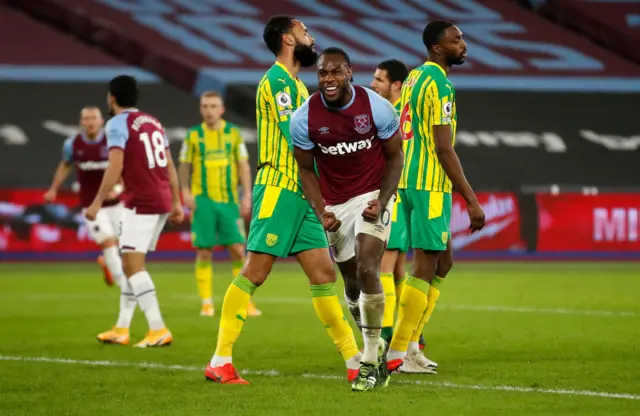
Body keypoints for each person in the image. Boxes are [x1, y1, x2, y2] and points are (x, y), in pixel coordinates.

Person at [204, 16, 362, 386]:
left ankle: (354, 359)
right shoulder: (277, 80)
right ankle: (220, 360)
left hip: (304, 194)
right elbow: (299, 133)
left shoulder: (292, 82)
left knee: (324, 274)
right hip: (279, 187)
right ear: (288, 39)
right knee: (255, 271)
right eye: (306, 32)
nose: (312, 37)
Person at [291, 47, 404, 391]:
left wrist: (382, 200)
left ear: (350, 73)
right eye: (323, 73)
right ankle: (376, 346)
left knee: (369, 266)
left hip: (372, 194)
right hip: (336, 205)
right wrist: (320, 209)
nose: (329, 79)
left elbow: (396, 157)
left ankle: (370, 361)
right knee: (352, 284)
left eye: (336, 72)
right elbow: (305, 169)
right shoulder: (303, 118)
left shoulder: (376, 107)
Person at [386, 21, 485, 372]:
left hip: (408, 179)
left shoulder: (413, 77)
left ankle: (410, 344)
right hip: (429, 184)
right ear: (438, 48)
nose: (463, 43)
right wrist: (471, 200)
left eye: (462, 37)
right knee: (425, 265)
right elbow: (444, 149)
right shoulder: (441, 84)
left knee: (444, 262)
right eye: (455, 39)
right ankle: (398, 352)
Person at [86, 75, 184, 348]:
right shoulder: (153, 122)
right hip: (160, 197)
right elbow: (169, 165)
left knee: (132, 265)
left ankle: (158, 328)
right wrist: (176, 201)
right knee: (131, 264)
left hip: (142, 201)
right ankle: (122, 327)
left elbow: (114, 166)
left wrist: (96, 203)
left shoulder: (117, 123)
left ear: (112, 97)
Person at [370, 59, 438, 374]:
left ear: (396, 85)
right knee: (398, 268)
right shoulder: (400, 112)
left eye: (379, 80)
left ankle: (388, 339)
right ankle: (409, 339)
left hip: (394, 196)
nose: (374, 85)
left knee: (387, 263)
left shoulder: (391, 115)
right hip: (405, 193)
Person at [179, 91, 261, 318]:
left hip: (228, 200)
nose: (209, 110)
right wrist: (185, 191)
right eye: (205, 106)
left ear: (221, 109)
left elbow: (243, 165)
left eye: (213, 106)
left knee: (237, 249)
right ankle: (206, 302)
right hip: (202, 200)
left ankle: (245, 302)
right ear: (201, 109)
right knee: (204, 250)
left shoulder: (233, 133)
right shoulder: (193, 135)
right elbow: (184, 165)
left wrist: (246, 196)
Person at [44, 107, 124, 289]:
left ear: (101, 121)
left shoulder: (113, 141)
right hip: (91, 205)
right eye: (87, 119)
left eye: (93, 118)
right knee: (107, 241)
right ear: (81, 122)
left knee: (122, 244)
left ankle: (108, 264)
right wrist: (53, 189)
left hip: (115, 203)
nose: (90, 122)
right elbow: (65, 165)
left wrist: (118, 188)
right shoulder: (72, 144)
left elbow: (123, 167)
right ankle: (124, 286)